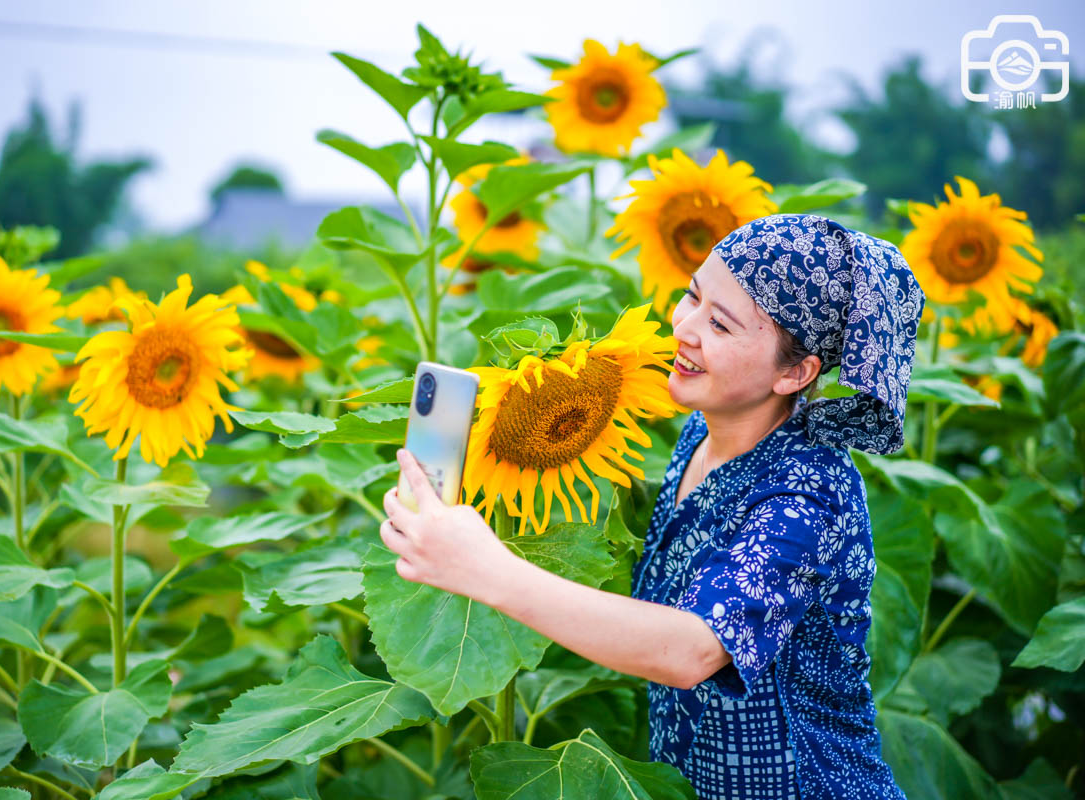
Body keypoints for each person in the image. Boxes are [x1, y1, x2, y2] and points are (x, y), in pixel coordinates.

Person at [380, 213, 925, 799]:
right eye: (691, 295)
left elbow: (693, 648)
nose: (684, 328)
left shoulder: (807, 492)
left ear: (796, 372)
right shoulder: (703, 431)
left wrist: (486, 569)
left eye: (719, 324)